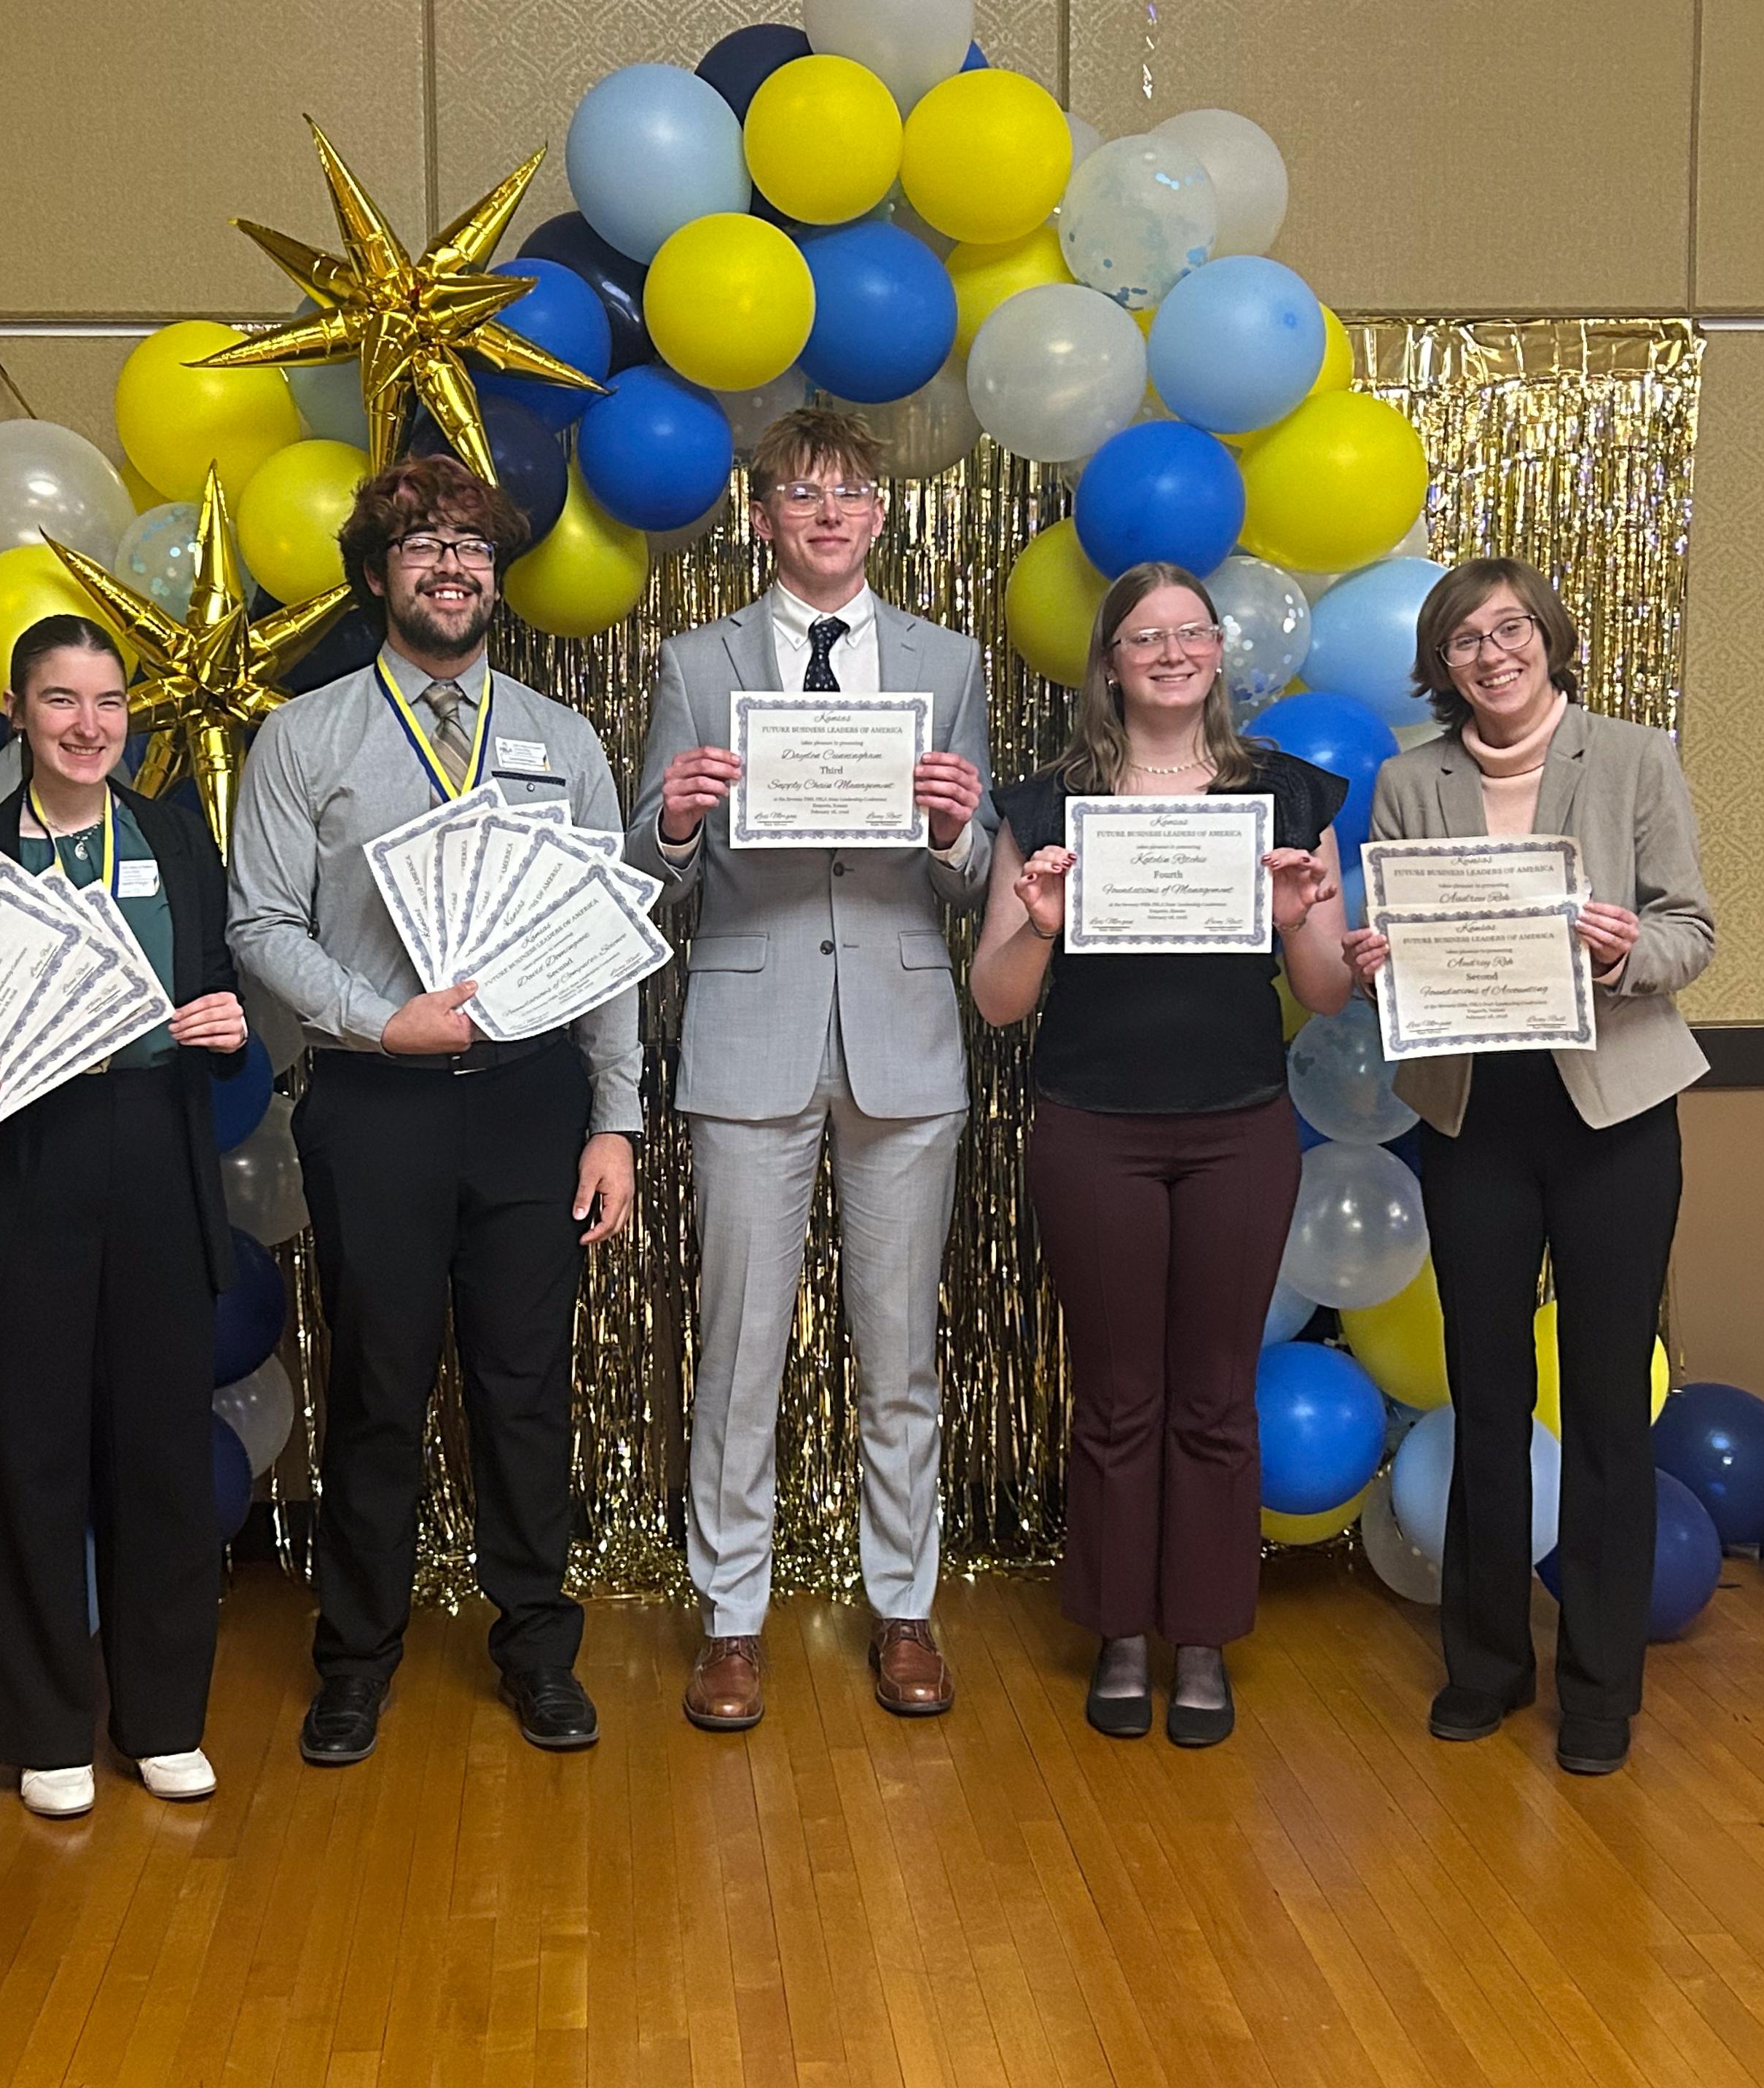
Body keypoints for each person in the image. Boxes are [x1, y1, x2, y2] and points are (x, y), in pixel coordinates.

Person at [226, 454, 639, 1767]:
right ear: (375, 575)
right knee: (378, 1390)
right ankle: (355, 1660)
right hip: (375, 1103)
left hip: (531, 1104)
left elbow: (606, 946)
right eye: (423, 547)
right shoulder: (307, 738)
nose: (452, 567)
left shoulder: (563, 740)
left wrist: (615, 1119)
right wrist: (374, 1017)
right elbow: (260, 924)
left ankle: (538, 1650)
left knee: (526, 1390)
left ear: (496, 576)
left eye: (471, 546)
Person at [624, 406, 991, 1732]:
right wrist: (675, 821)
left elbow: (976, 870)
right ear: (762, 515)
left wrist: (954, 832)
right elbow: (644, 869)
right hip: (747, 1031)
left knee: (899, 1355)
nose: (828, 514)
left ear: (879, 515)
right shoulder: (695, 661)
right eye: (801, 493)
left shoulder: (948, 662)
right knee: (738, 1352)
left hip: (903, 1037)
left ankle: (906, 1605)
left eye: (848, 494)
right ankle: (732, 1617)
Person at [1341, 556, 1714, 1777]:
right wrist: (1381, 962)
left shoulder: (1636, 756)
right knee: (1486, 1397)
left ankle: (1601, 1684)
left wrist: (1623, 949)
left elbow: (1691, 928)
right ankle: (1488, 1664)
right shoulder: (1411, 780)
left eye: (1510, 630)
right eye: (1465, 639)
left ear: (1548, 636)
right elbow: (1401, 946)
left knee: (1606, 1402)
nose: (1492, 654)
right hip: (1474, 1116)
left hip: (1613, 1110)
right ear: (1440, 665)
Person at [969, 563, 1352, 1745]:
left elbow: (1328, 991)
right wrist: (1041, 923)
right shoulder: (1048, 805)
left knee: (1217, 1397)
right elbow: (995, 999)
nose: (1173, 651)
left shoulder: (1285, 796)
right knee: (1118, 1396)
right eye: (1146, 636)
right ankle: (1119, 1632)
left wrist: (1300, 918)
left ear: (1219, 651)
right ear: (1111, 663)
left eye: (1192, 631)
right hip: (1095, 1127)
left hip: (1240, 1127)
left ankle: (1203, 1639)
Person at [0, 614, 254, 1819]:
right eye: (61, 700)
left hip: (158, 1168)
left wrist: (229, 1030)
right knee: (31, 1459)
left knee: (162, 1458)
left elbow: (219, 1004)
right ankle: (45, 1727)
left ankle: (163, 1720)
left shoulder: (174, 836)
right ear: (18, 712)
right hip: (26, 1175)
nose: (88, 725)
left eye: (109, 702)